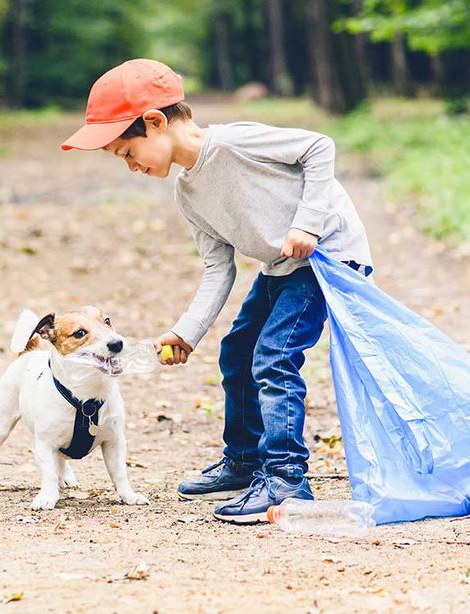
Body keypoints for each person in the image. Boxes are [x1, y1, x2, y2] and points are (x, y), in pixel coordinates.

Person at [60, 59, 373, 523]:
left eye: (128, 153)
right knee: (237, 350)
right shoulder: (188, 193)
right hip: (282, 266)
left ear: (155, 122)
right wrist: (185, 333)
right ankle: (245, 461)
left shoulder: (233, 143)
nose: (131, 167)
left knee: (273, 356)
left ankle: (286, 477)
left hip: (328, 257)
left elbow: (318, 147)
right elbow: (216, 269)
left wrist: (307, 221)